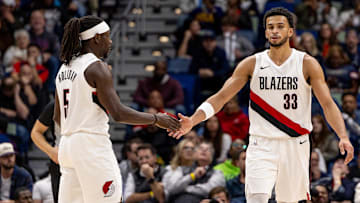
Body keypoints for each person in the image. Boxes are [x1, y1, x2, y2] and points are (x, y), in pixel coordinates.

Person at [171, 7, 354, 203]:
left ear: (290, 31)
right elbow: (221, 97)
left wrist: (342, 135)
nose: (275, 31)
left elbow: (327, 104)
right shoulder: (251, 63)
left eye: (280, 26)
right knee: (257, 198)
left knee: (290, 201)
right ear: (266, 32)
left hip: (295, 142)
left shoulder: (307, 63)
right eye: (270, 27)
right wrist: (193, 120)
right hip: (261, 143)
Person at [53, 16, 180, 203]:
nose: (110, 41)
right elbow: (118, 113)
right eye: (107, 36)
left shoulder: (64, 69)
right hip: (91, 145)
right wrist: (156, 118)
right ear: (96, 38)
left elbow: (57, 117)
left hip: (67, 146)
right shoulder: (97, 67)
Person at [30, 101, 60, 203]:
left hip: (84, 160)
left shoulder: (90, 101)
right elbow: (35, 132)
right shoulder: (55, 105)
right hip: (60, 163)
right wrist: (51, 152)